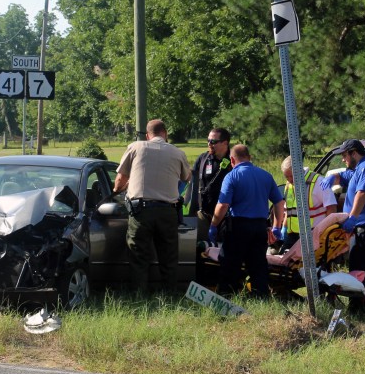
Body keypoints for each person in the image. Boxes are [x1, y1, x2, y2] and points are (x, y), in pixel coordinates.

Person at [113, 119, 192, 293]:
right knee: (169, 257)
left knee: (138, 256)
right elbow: (187, 177)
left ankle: (139, 295)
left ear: (147, 135)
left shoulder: (135, 147)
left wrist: (119, 189)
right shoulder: (177, 153)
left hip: (141, 211)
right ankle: (169, 295)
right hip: (167, 211)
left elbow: (120, 181)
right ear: (166, 134)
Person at [208, 144, 285, 298]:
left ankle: (227, 297)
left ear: (232, 160)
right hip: (259, 227)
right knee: (258, 265)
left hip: (238, 227)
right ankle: (260, 298)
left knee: (230, 264)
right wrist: (276, 226)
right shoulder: (266, 175)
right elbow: (279, 202)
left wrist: (213, 225)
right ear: (250, 158)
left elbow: (223, 204)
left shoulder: (231, 176)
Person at [325, 139, 365, 316]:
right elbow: (344, 177)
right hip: (363, 228)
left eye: (345, 155)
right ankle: (360, 307)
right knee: (358, 267)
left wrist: (352, 217)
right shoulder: (357, 169)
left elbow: (361, 194)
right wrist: (333, 178)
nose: (343, 159)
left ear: (354, 153)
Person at [188, 127, 232, 286]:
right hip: (203, 215)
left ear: (225, 143)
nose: (209, 144)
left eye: (213, 141)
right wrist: (191, 210)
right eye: (208, 141)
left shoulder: (233, 161)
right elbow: (192, 186)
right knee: (200, 250)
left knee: (223, 252)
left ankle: (223, 285)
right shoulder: (203, 159)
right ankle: (202, 283)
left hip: (227, 217)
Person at [278, 155, 337, 252]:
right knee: (284, 262)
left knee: (311, 264)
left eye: (291, 176)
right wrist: (284, 227)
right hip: (293, 234)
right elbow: (289, 210)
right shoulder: (289, 185)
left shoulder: (318, 182)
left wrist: (327, 232)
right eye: (286, 176)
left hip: (312, 234)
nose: (289, 179)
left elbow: (331, 208)